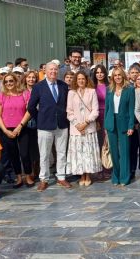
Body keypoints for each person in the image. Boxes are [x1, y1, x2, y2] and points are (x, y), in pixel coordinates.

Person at [27, 61, 72, 191]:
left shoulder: (63, 86)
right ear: (45, 71)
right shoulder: (38, 87)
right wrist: (39, 118)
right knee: (44, 154)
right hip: (44, 126)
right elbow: (31, 107)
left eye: (55, 69)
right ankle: (44, 179)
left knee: (62, 152)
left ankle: (61, 177)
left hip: (62, 125)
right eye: (50, 69)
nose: (53, 72)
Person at [0, 73, 33, 188]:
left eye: (11, 81)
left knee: (24, 153)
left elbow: (29, 111)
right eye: (6, 82)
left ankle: (28, 175)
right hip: (7, 129)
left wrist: (20, 126)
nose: (8, 83)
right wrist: (5, 130)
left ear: (16, 81)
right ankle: (18, 177)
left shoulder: (25, 94)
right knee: (13, 154)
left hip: (22, 127)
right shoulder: (2, 95)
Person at [66, 71, 101, 186]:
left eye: (83, 79)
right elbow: (69, 111)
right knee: (79, 153)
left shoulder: (91, 92)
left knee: (88, 153)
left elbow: (95, 110)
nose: (81, 81)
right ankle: (81, 175)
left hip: (89, 127)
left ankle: (88, 175)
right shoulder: (71, 93)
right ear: (76, 80)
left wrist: (86, 122)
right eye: (79, 79)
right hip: (76, 129)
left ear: (86, 80)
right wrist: (77, 124)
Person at [104, 67, 135, 186]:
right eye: (115, 75)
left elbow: (131, 109)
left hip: (124, 124)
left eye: (119, 75)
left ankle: (124, 178)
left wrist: (131, 126)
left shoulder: (129, 90)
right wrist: (106, 126)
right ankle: (115, 176)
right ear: (112, 77)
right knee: (114, 152)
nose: (117, 77)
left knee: (124, 152)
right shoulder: (109, 90)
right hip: (111, 123)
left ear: (123, 76)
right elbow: (107, 108)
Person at [19, 71, 39, 183]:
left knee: (35, 148)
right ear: (25, 79)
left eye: (33, 77)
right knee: (25, 150)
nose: (31, 79)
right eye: (29, 77)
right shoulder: (21, 91)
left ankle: (36, 169)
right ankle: (28, 171)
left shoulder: (39, 89)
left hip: (37, 121)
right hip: (23, 122)